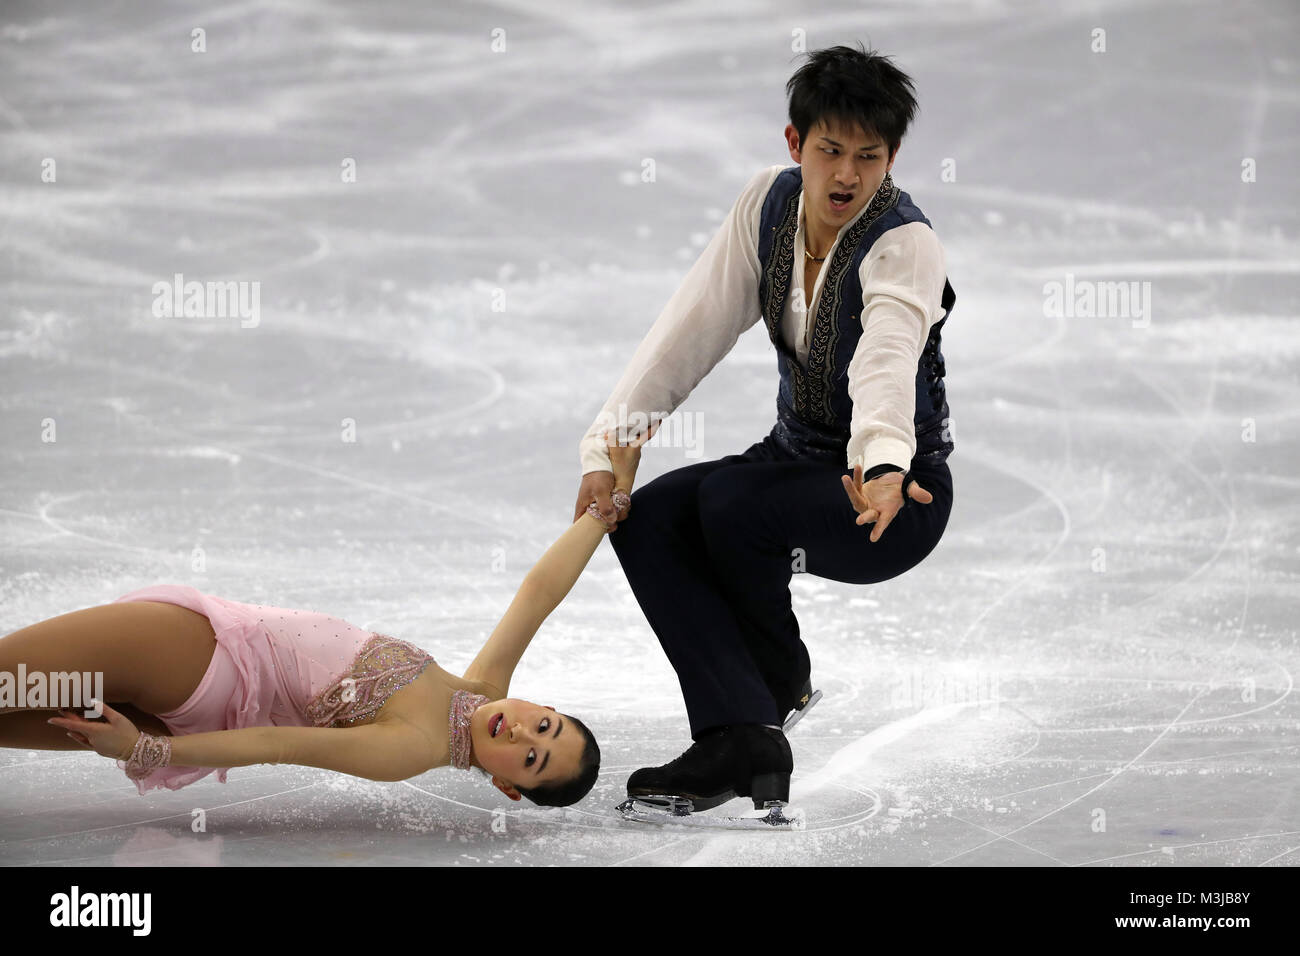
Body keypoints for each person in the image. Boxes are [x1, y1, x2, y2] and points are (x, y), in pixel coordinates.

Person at [573, 43, 957, 812]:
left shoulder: (903, 243)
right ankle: (737, 734)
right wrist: (608, 447)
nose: (847, 174)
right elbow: (688, 331)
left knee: (730, 507)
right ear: (795, 144)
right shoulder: (768, 206)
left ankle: (777, 683)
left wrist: (883, 464)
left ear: (894, 157)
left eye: (868, 156)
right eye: (830, 151)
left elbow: (885, 355)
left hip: (894, 499)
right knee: (649, 520)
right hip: (792, 464)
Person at [6, 431, 653, 808]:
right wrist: (604, 513)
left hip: (202, 658)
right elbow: (538, 593)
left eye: (531, 758)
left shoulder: (414, 747)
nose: (520, 733)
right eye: (544, 723)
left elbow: (279, 745)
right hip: (205, 692)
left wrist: (148, 751)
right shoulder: (480, 692)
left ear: (508, 787)